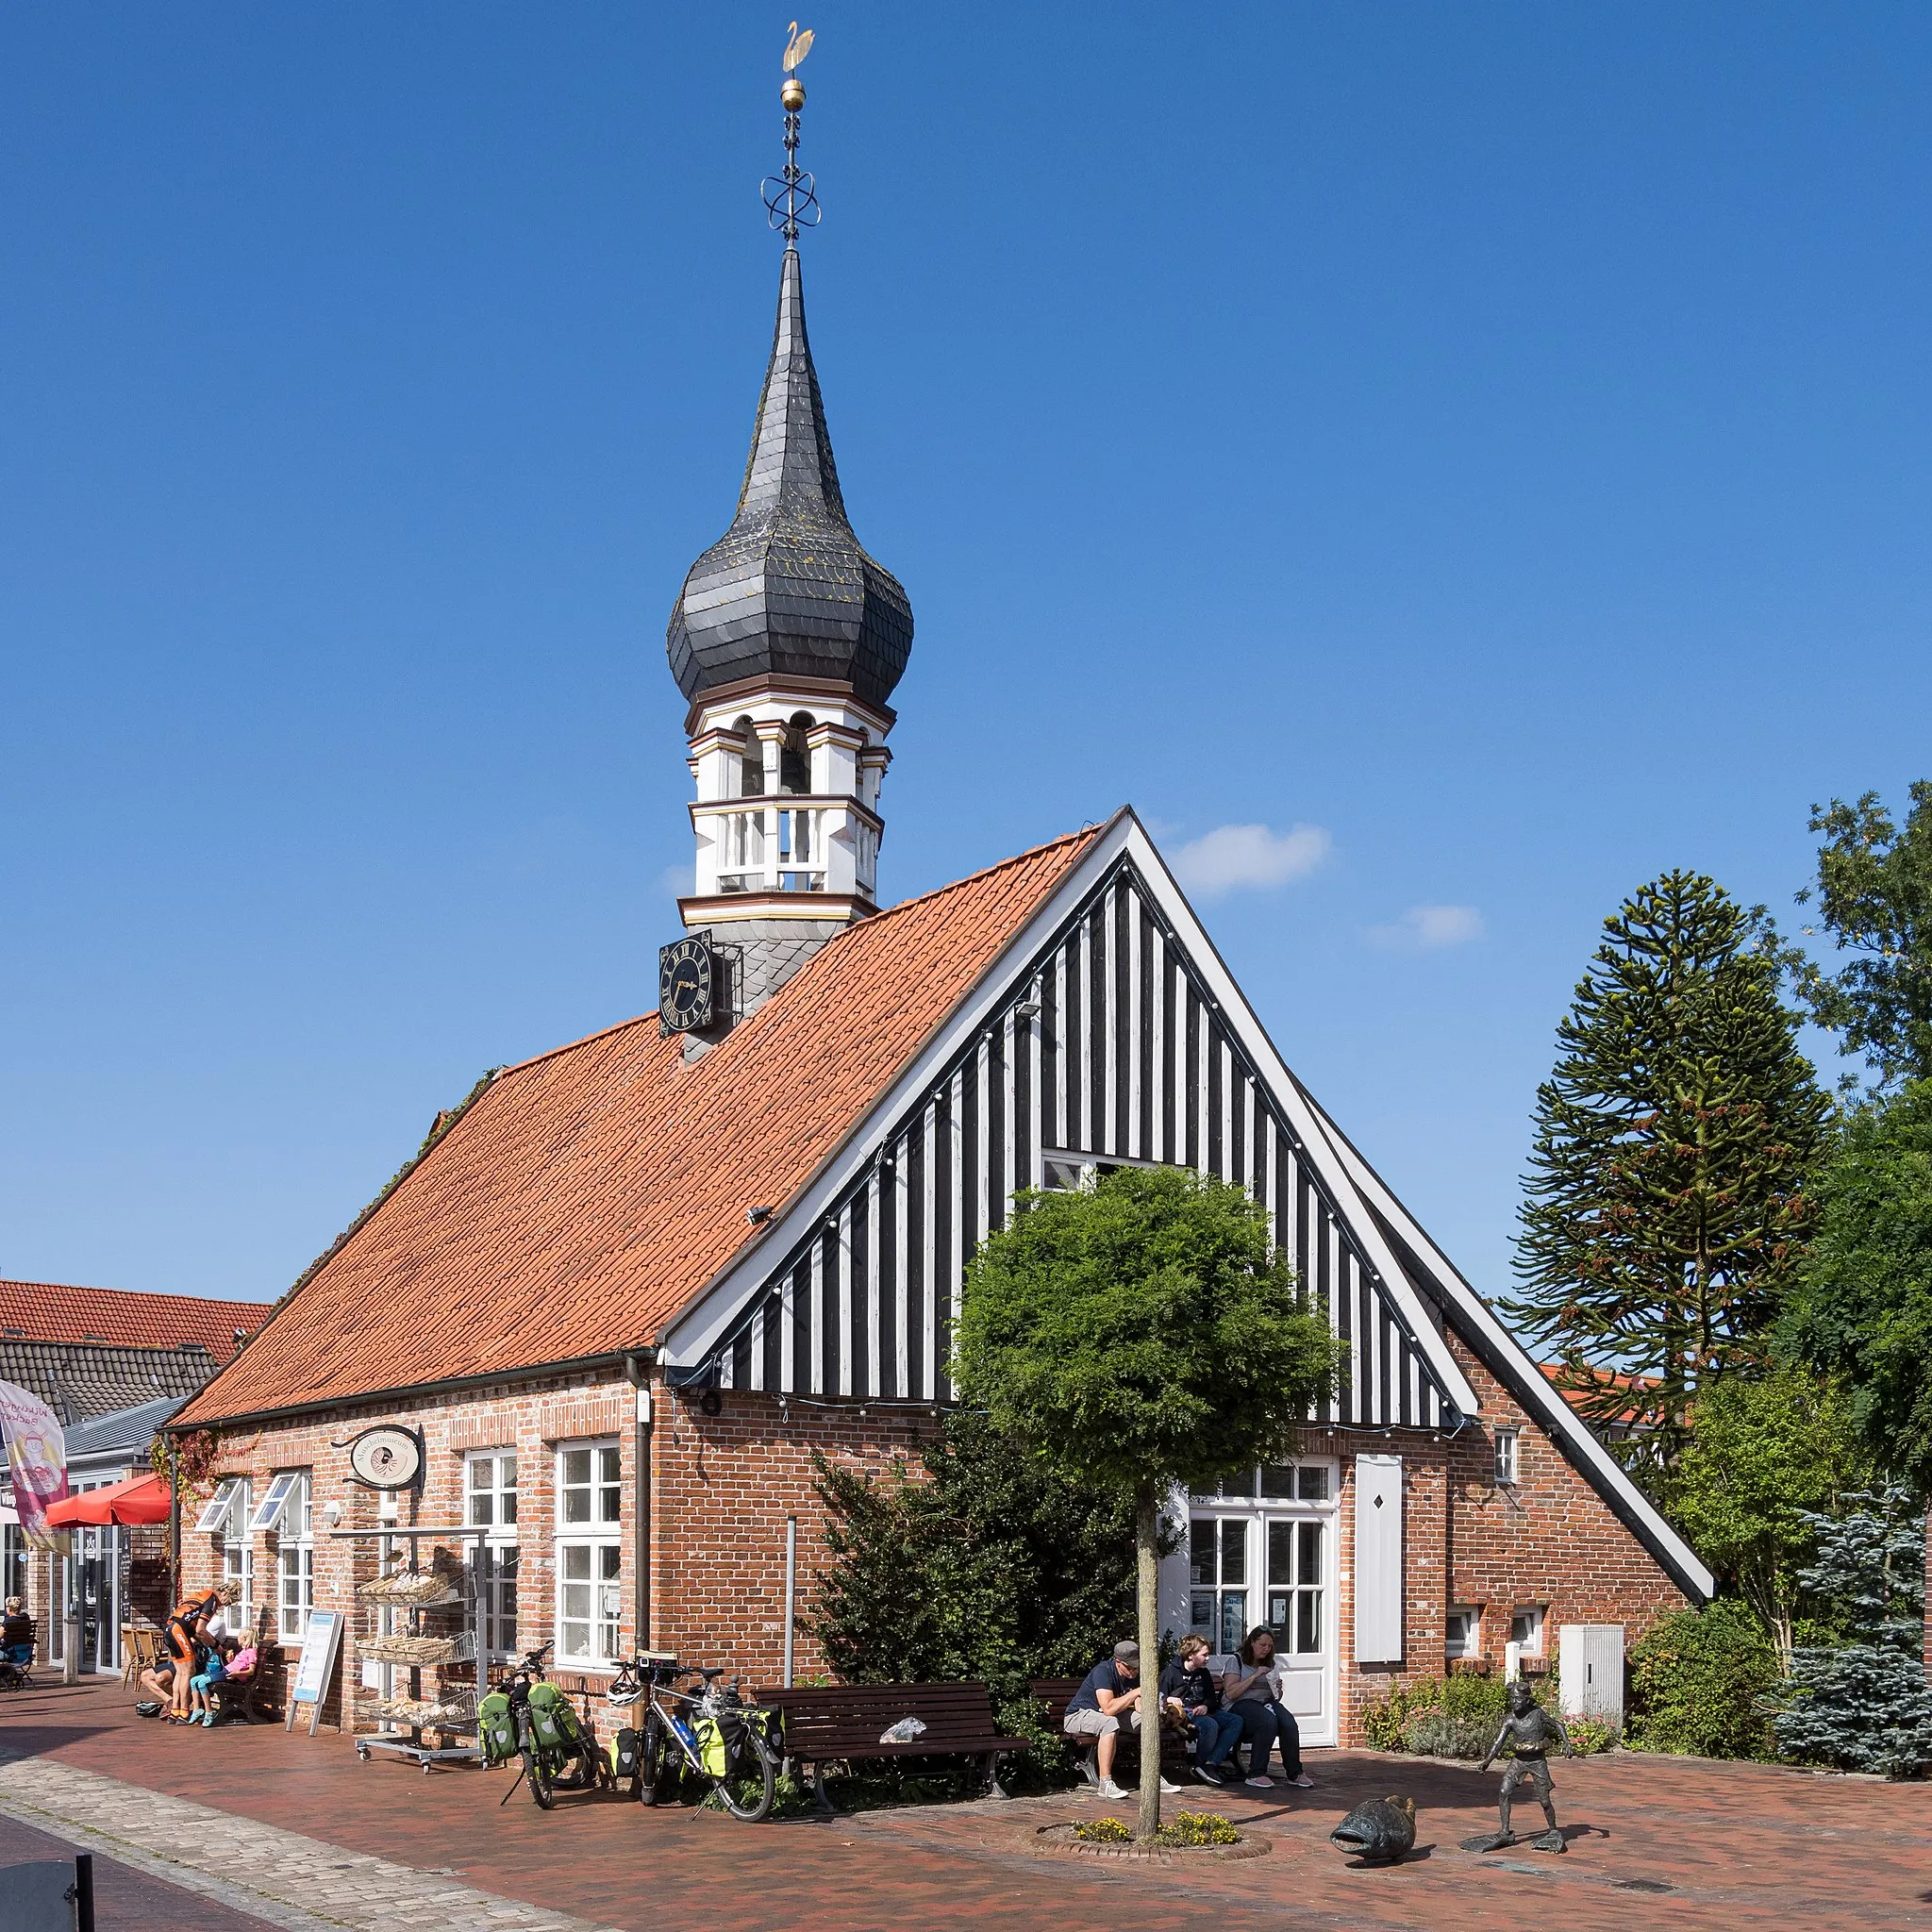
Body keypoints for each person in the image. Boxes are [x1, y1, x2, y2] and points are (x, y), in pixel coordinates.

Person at [1062, 1640, 1182, 1801]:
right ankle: (1105, 1784)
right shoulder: (1103, 1671)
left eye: (1137, 1666)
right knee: (1109, 1723)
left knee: (1148, 1722)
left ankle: (1152, 1778)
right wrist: (1135, 1693)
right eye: (1130, 1667)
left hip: (1108, 1715)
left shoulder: (1134, 1675)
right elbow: (1109, 1709)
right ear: (1118, 1662)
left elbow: (1140, 1708)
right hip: (1078, 1715)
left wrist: (1162, 1703)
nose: (1134, 1671)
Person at [1224, 1627, 1315, 1789]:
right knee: (1268, 1721)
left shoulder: (1270, 1663)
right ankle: (1256, 1773)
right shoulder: (1236, 1660)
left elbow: (1276, 1697)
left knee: (1289, 1723)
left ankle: (1295, 1773)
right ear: (1252, 1643)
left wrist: (1277, 1689)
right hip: (1239, 1705)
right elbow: (1231, 1693)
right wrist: (1254, 1676)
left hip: (1263, 1703)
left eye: (1270, 1646)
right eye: (1262, 1645)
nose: (1266, 1649)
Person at [1158, 1633, 1241, 1784]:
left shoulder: (1204, 1673)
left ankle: (1211, 1764)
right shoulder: (1171, 1672)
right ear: (1191, 1655)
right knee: (1210, 1725)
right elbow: (1159, 1696)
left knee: (1235, 1721)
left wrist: (1205, 1705)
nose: (1208, 1658)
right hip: (1183, 1714)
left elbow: (1211, 1698)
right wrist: (1169, 1699)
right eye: (1204, 1655)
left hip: (1204, 1711)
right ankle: (1200, 1765)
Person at [188, 1636, 238, 1727]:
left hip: (224, 1674)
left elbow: (250, 1670)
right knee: (193, 1681)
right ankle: (197, 1709)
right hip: (219, 1672)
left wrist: (236, 1673)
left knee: (201, 1683)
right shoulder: (242, 1653)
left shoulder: (250, 1653)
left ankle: (209, 1712)